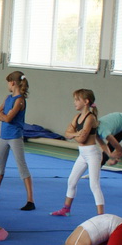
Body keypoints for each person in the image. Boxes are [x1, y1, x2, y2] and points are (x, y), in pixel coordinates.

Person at [0, 71, 35, 211]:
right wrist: (3, 116)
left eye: (8, 82)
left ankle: (30, 200)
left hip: (15, 137)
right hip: (4, 136)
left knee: (22, 167)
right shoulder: (8, 98)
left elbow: (8, 118)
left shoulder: (19, 100)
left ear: (12, 83)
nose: (7, 85)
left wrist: (3, 115)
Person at [50, 89, 104, 217]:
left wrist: (74, 135)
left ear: (86, 102)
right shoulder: (77, 117)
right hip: (83, 154)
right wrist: (76, 134)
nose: (74, 102)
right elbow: (67, 133)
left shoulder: (90, 118)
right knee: (71, 181)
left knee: (94, 185)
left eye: (77, 100)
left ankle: (101, 215)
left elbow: (82, 139)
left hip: (92, 154)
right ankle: (66, 209)